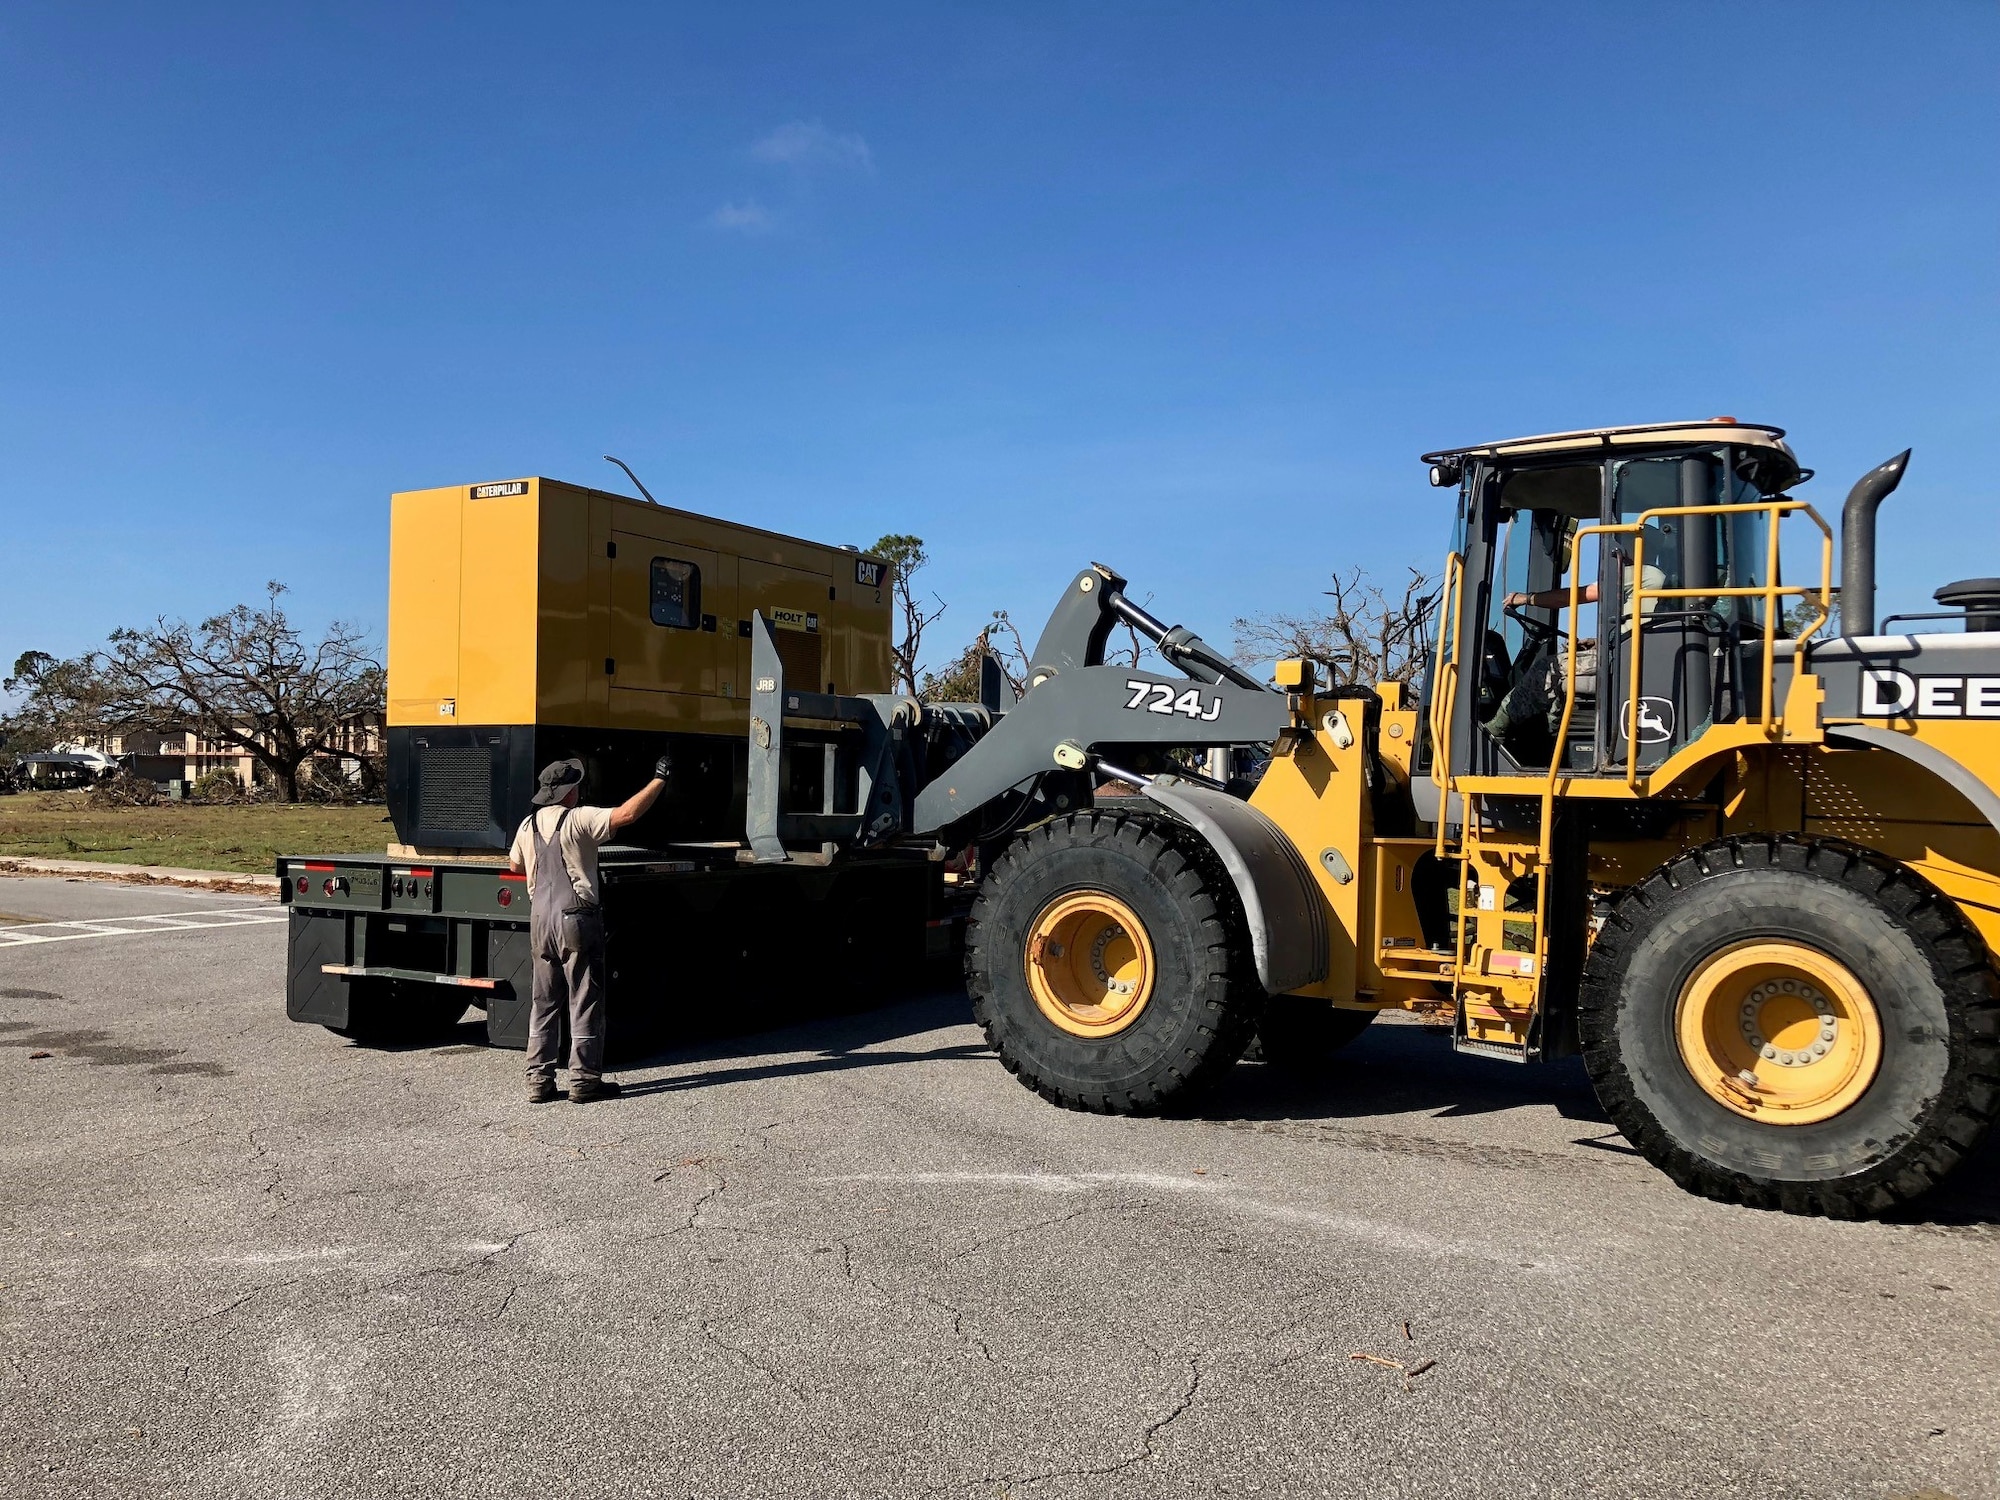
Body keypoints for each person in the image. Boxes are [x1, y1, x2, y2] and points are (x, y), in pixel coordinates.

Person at [508, 753, 672, 1104]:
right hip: (575, 918)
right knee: (584, 998)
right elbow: (626, 814)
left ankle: (539, 1080)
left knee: (544, 1001)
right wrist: (658, 780)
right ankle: (584, 1081)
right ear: (570, 792)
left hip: (540, 919)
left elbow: (514, 863)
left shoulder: (527, 825)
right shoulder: (578, 819)